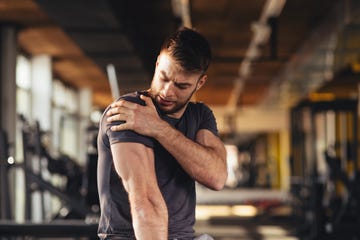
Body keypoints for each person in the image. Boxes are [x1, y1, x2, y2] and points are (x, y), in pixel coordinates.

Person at [97, 27, 227, 240]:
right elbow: (144, 201)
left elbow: (217, 177)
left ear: (200, 82)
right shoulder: (129, 111)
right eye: (164, 77)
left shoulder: (199, 115)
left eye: (181, 85)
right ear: (157, 63)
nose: (168, 91)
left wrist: (158, 128)